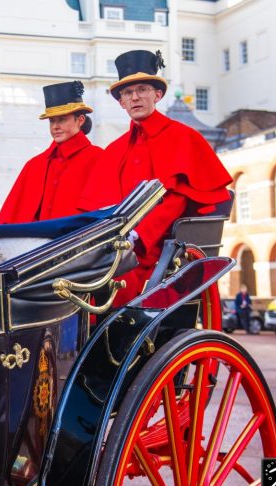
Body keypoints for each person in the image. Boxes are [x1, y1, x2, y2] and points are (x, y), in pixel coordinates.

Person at [78, 50, 232, 305]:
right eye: (127, 93)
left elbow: (179, 199)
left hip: (160, 251)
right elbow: (100, 207)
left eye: (142, 89)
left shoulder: (184, 138)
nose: (135, 97)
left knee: (115, 282)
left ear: (157, 95)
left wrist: (138, 235)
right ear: (121, 102)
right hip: (115, 247)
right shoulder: (114, 150)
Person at [0, 81, 104, 223]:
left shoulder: (98, 158)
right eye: (52, 121)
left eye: (62, 120)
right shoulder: (34, 164)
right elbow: (9, 218)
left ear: (80, 120)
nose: (55, 127)